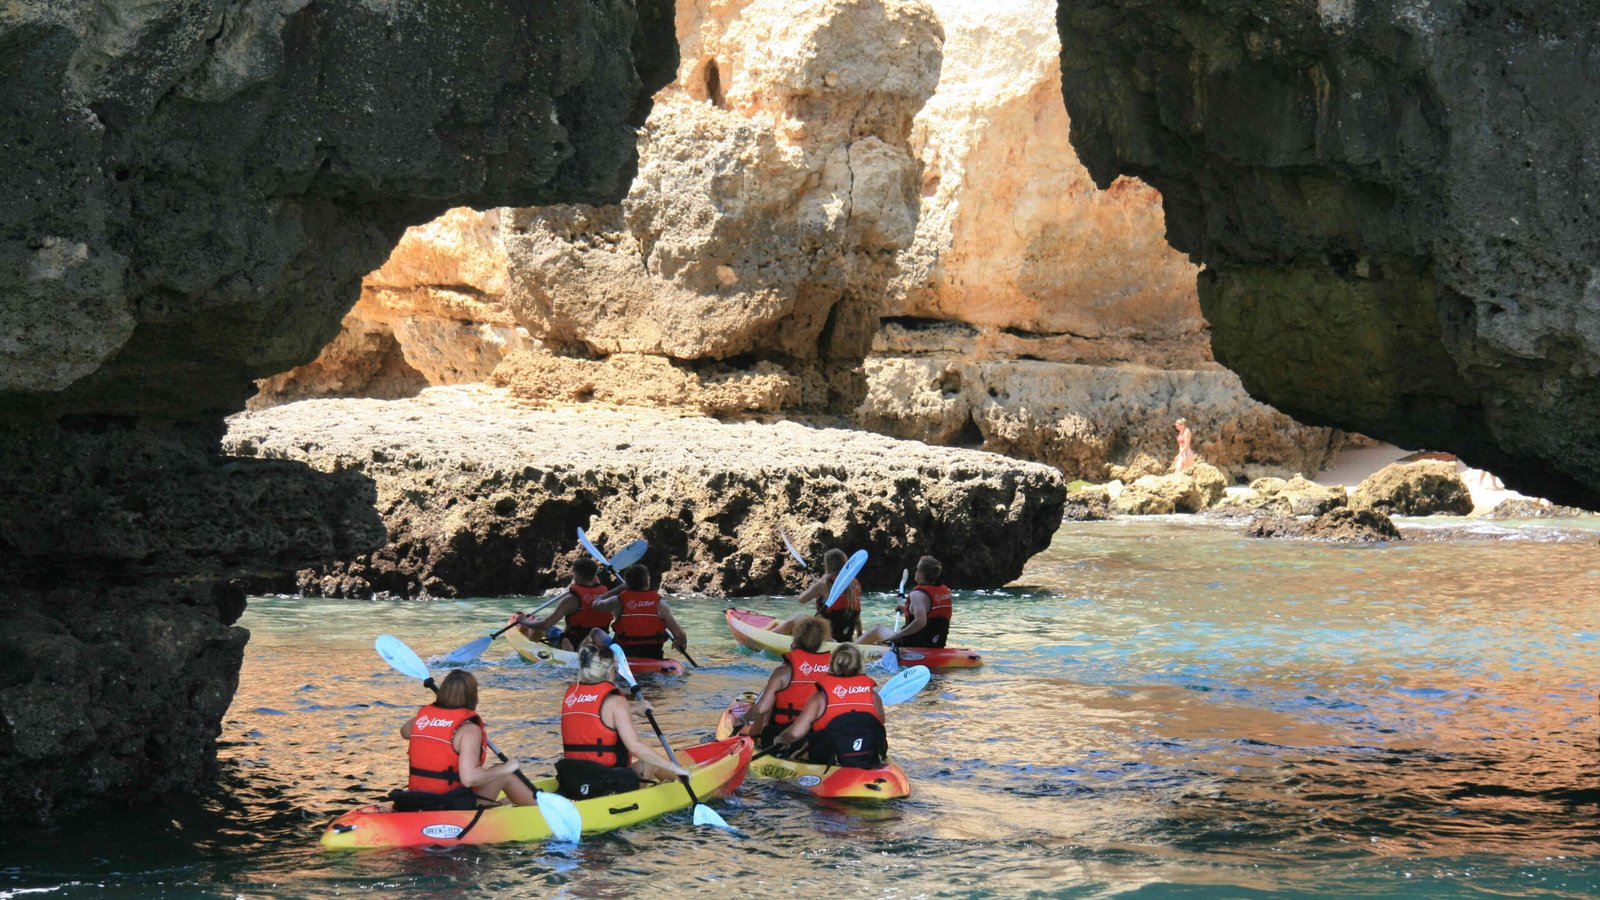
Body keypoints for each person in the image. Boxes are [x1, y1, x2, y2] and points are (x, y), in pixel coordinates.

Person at [557, 638, 689, 799]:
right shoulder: (616, 701)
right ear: (610, 670)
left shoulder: (571, 695)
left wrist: (632, 709)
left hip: (573, 781)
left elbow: (594, 719)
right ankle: (681, 783)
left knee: (650, 762)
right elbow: (635, 747)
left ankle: (676, 781)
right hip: (606, 786)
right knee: (651, 760)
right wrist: (674, 768)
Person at [399, 669, 534, 807]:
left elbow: (404, 732)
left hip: (418, 799)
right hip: (449, 804)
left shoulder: (423, 719)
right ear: (473, 696)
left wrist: (437, 715)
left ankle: (507, 802)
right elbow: (469, 779)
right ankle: (539, 809)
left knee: (500, 776)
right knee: (506, 773)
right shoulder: (469, 730)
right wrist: (506, 768)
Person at [773, 643, 887, 768]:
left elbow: (796, 733)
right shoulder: (873, 696)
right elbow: (879, 722)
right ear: (860, 665)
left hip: (829, 760)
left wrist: (782, 739)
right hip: (867, 756)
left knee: (797, 754)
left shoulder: (820, 698)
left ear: (831, 664)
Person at [735, 616, 832, 747]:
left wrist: (742, 720)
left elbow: (761, 709)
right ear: (820, 643)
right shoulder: (833, 671)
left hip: (780, 736)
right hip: (816, 739)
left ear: (794, 641)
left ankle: (755, 743)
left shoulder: (783, 673)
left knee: (769, 700)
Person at [511, 558, 612, 648]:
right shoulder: (606, 595)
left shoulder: (570, 600)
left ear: (577, 575)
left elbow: (544, 625)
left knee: (541, 623)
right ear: (594, 575)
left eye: (574, 573)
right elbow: (591, 580)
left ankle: (531, 649)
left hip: (574, 642)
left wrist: (524, 621)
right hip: (598, 640)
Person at [593, 564, 688, 661]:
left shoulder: (617, 601)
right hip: (653, 655)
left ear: (627, 583)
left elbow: (595, 605)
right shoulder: (661, 605)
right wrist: (681, 643)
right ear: (647, 580)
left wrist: (618, 589)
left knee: (595, 632)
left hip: (625, 656)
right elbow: (680, 634)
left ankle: (596, 660)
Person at [767, 548, 862, 642]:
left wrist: (814, 586)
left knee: (800, 616)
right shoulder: (854, 584)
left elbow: (801, 599)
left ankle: (768, 636)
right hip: (846, 637)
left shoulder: (823, 584)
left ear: (828, 565)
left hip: (825, 637)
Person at [858, 555, 950, 649]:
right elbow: (931, 614)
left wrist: (898, 635)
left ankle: (848, 650)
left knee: (878, 629)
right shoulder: (945, 591)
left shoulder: (917, 594)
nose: (916, 571)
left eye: (917, 569)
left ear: (921, 574)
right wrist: (907, 609)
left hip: (915, 645)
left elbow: (921, 622)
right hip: (937, 644)